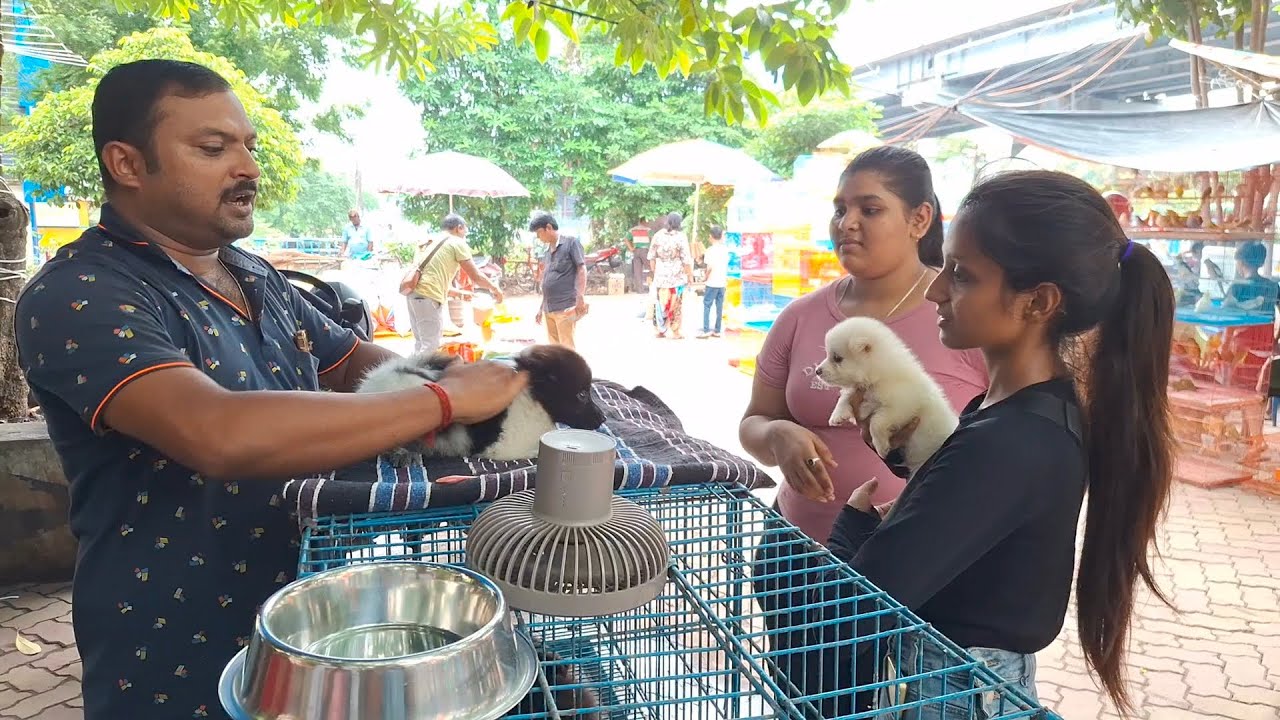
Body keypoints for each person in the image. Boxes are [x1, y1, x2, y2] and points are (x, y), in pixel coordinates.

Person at [13, 59, 529, 720]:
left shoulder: (254, 275)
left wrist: (448, 376)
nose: (249, 168)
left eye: (249, 147)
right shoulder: (80, 293)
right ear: (128, 164)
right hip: (173, 638)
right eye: (213, 148)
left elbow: (352, 363)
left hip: (312, 609)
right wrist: (446, 402)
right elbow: (216, 432)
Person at [816, 170, 1175, 718]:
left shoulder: (1013, 440)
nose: (935, 289)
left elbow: (862, 604)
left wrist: (854, 523)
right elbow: (973, 520)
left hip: (952, 697)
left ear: (1038, 302)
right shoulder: (1019, 411)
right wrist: (906, 460)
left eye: (961, 275)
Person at [738, 146, 985, 545]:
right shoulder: (799, 317)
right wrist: (777, 434)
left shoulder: (963, 318)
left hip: (913, 563)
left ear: (919, 219)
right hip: (792, 554)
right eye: (840, 210)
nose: (847, 223)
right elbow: (754, 422)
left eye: (869, 210)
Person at [404, 212, 503, 354]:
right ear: (459, 228)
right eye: (465, 232)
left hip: (412, 294)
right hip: (428, 297)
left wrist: (459, 293)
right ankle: (419, 375)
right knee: (430, 345)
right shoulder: (456, 242)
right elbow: (476, 277)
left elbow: (429, 278)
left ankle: (412, 372)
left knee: (420, 342)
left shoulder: (429, 242)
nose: (464, 236)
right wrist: (495, 289)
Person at [531, 213, 588, 350]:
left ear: (548, 227)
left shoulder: (571, 243)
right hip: (548, 308)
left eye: (539, 233)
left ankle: (573, 372)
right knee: (555, 350)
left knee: (567, 348)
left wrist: (580, 297)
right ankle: (559, 372)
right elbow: (546, 281)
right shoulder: (547, 252)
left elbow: (582, 269)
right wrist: (541, 308)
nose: (538, 237)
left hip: (565, 306)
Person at [650, 212, 693, 338]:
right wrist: (689, 275)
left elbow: (651, 257)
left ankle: (660, 329)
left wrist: (655, 272)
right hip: (677, 278)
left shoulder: (658, 235)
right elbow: (686, 259)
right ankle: (675, 331)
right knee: (676, 304)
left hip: (660, 277)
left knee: (660, 303)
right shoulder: (681, 237)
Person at [1222, 240, 1279, 311]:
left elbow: (1225, 312)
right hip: (1268, 322)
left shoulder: (1236, 287)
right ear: (1261, 262)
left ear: (1241, 262)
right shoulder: (1273, 286)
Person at [698, 225, 729, 338]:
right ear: (721, 236)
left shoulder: (710, 251)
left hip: (712, 283)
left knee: (707, 305)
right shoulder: (725, 250)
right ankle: (717, 329)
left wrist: (705, 278)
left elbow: (709, 268)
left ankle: (706, 329)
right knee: (719, 306)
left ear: (710, 237)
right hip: (722, 283)